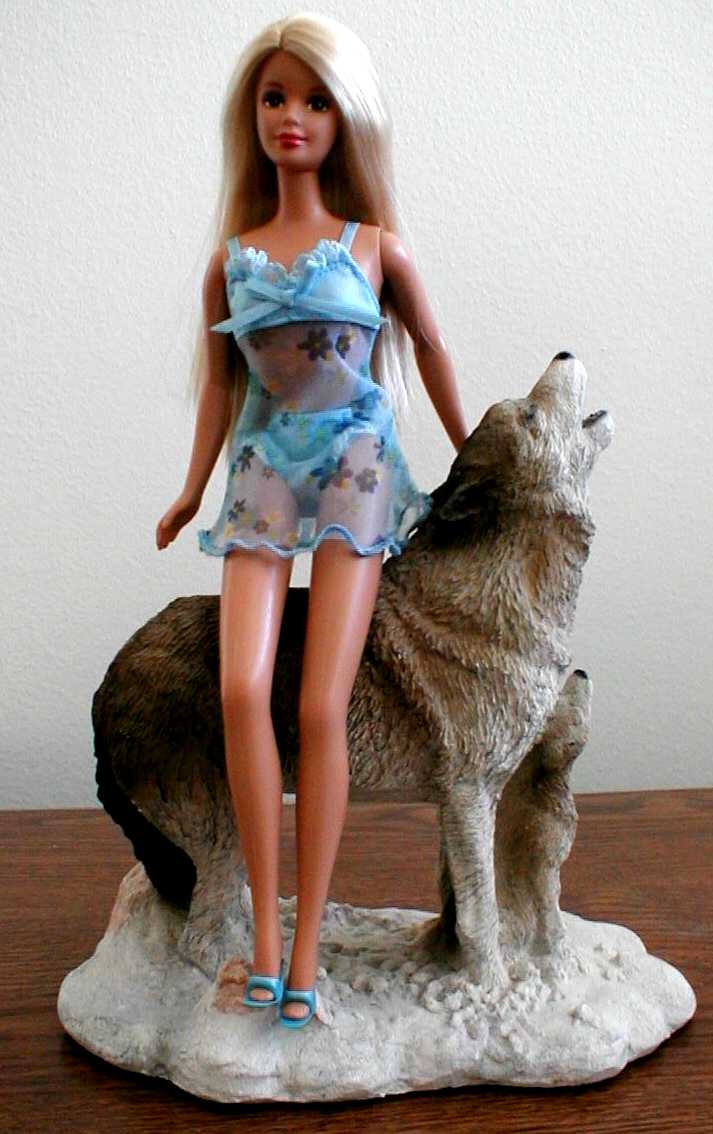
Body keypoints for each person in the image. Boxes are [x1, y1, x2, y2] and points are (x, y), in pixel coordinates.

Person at [156, 12, 468, 1028]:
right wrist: (189, 488)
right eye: (274, 96)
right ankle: (259, 936)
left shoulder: (372, 247)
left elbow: (430, 349)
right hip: (262, 469)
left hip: (353, 470)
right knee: (241, 688)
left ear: (347, 119)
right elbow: (217, 385)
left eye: (315, 99)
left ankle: (303, 954)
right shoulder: (231, 259)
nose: (292, 116)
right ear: (250, 114)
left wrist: (472, 454)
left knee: (320, 706)